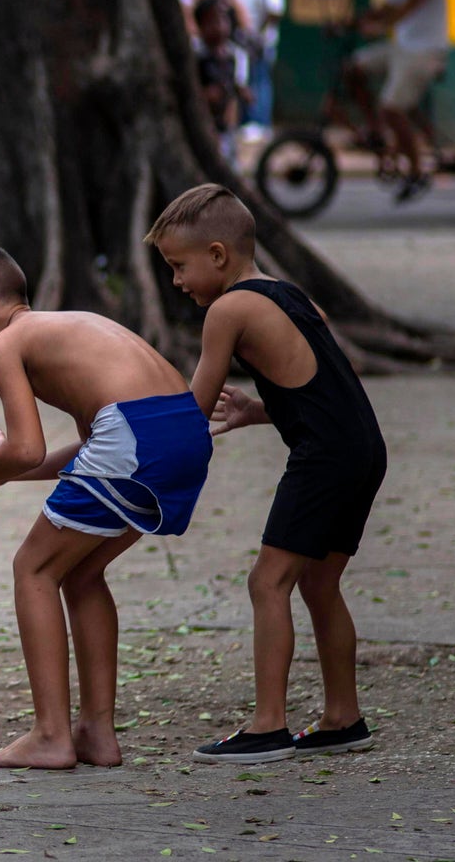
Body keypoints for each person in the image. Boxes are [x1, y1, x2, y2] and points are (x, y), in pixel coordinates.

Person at [0, 238, 212, 770]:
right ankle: (96, 732)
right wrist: (3, 468)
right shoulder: (63, 326)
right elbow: (89, 446)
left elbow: (28, 448)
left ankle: (51, 735)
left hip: (135, 440)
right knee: (80, 573)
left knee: (33, 568)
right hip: (180, 433)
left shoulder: (5, 346)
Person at [145, 185, 388, 764]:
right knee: (319, 584)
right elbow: (326, 385)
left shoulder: (227, 310)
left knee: (267, 582)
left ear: (218, 255)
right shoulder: (289, 294)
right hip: (362, 448)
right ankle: (342, 718)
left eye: (179, 266)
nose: (176, 281)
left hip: (323, 459)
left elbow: (193, 409)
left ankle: (267, 726)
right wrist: (257, 410)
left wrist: (136, 442)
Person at [350, 0, 450, 200]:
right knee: (353, 67)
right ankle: (375, 129)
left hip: (424, 52)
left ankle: (417, 170)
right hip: (401, 49)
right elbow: (386, 7)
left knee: (391, 108)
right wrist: (354, 21)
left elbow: (409, 6)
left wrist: (381, 26)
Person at [227, 0, 286, 130]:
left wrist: (258, 36)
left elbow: (275, 10)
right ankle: (245, 122)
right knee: (242, 79)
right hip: (239, 38)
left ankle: (260, 123)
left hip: (260, 40)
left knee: (259, 79)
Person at [195, 0, 253, 159]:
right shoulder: (196, 55)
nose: (219, 27)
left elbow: (239, 85)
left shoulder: (235, 56)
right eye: (212, 22)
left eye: (223, 20)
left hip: (225, 125)